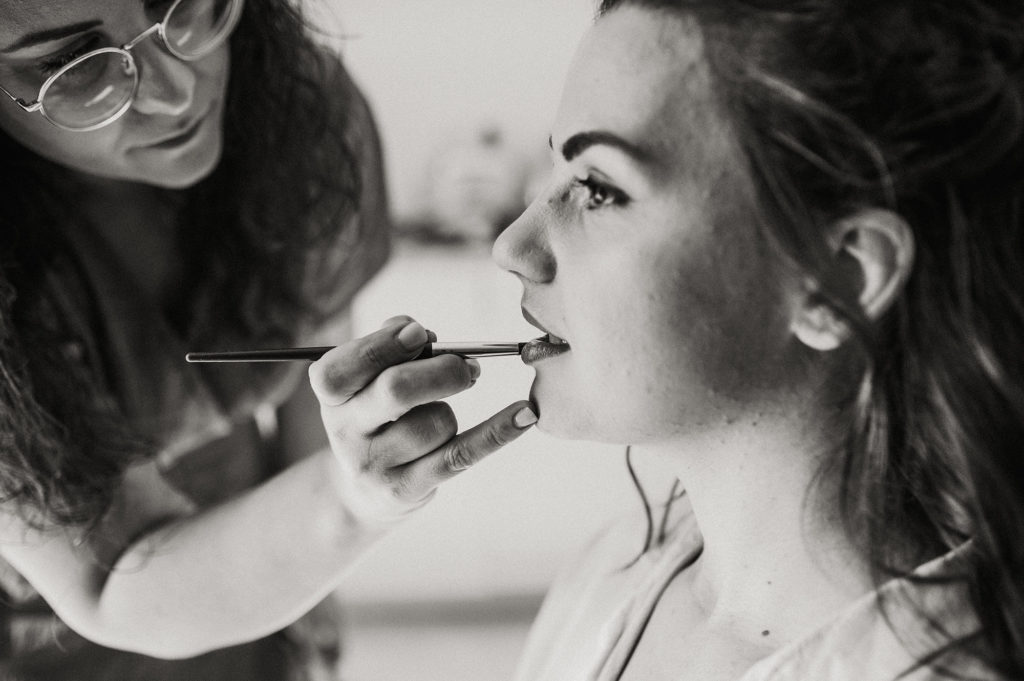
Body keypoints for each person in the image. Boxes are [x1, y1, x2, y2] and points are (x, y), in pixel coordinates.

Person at [483, 1, 1024, 679]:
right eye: (554, 174)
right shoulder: (606, 577)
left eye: (597, 189)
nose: (513, 247)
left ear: (840, 278)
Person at [0, 1, 535, 679]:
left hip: (243, 496)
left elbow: (318, 366)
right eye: (70, 68)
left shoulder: (300, 110)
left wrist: (313, 571)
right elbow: (115, 581)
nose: (178, 93)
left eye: (182, 5)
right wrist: (348, 502)